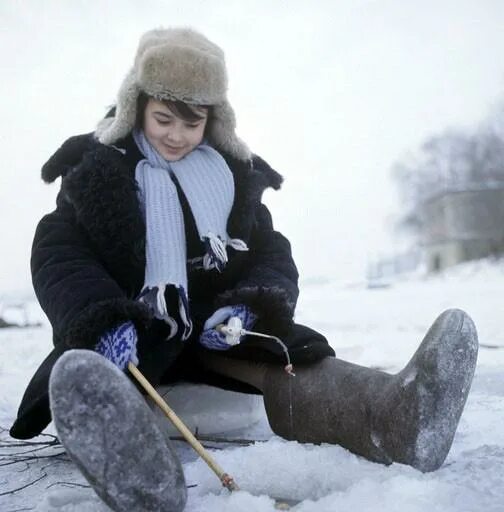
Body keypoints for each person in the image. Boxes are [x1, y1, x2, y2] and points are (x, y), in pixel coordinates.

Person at [10, 28, 478, 512]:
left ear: (213, 121)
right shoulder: (97, 172)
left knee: (293, 359)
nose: (176, 136)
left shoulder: (230, 176)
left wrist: (248, 308)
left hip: (211, 334)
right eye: (163, 119)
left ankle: (396, 419)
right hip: (132, 338)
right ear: (136, 107)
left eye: (191, 124)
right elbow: (59, 254)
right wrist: (103, 318)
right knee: (92, 376)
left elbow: (272, 253)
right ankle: (137, 476)